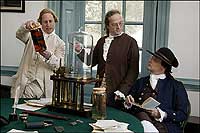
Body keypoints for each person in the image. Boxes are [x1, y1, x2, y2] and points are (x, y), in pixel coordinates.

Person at [75, 9, 139, 106]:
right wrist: (80, 50)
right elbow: (92, 61)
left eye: (120, 23)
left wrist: (122, 91)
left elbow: (133, 72)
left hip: (118, 94)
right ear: (108, 26)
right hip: (99, 92)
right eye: (114, 24)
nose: (118, 27)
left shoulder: (130, 42)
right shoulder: (101, 41)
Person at [122, 47, 190, 132]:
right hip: (139, 122)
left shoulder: (176, 86)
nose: (150, 60)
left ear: (163, 67)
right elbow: (129, 107)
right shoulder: (140, 82)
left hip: (165, 126)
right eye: (152, 58)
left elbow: (182, 114)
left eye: (155, 60)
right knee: (141, 115)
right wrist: (128, 103)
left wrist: (161, 114)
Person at [11, 8, 65, 98]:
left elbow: (59, 66)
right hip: (24, 81)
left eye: (50, 21)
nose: (48, 24)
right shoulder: (32, 34)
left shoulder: (60, 43)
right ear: (40, 22)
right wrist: (26, 27)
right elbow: (19, 35)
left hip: (42, 87)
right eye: (45, 22)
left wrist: (49, 56)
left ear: (54, 21)